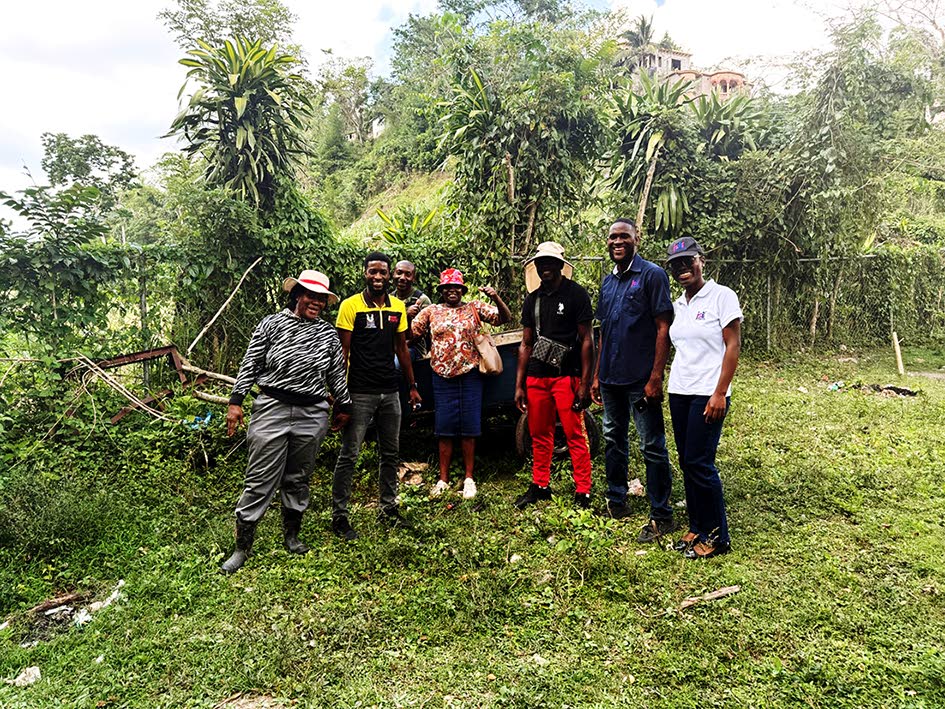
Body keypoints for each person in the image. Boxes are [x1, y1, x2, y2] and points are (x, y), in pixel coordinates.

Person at [221, 270, 351, 574]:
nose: (316, 302)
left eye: (321, 298)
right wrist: (235, 402)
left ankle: (292, 536)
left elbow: (336, 373)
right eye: (311, 296)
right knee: (259, 478)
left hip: (312, 413)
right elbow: (250, 362)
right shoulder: (272, 324)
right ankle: (242, 548)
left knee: (298, 476)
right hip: (272, 407)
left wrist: (343, 405)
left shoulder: (328, 334)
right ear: (297, 295)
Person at [591, 218, 677, 544]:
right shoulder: (608, 283)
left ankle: (661, 514)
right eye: (612, 237)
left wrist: (656, 377)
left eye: (623, 236)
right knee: (613, 439)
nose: (617, 242)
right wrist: (598, 375)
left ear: (636, 239)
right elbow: (605, 333)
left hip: (641, 380)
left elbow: (662, 329)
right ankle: (616, 500)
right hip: (611, 380)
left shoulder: (652, 276)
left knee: (651, 445)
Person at [331, 251, 422, 541]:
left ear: (389, 274)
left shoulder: (397, 307)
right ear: (365, 273)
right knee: (350, 454)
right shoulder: (350, 306)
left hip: (390, 391)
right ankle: (340, 516)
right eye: (373, 272)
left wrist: (412, 385)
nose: (379, 277)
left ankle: (388, 509)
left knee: (390, 453)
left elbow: (402, 350)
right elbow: (341, 353)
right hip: (359, 391)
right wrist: (339, 393)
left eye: (383, 272)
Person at [665, 237, 742, 559]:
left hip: (708, 393)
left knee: (700, 462)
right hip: (680, 390)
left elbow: (733, 346)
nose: (683, 269)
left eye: (688, 261)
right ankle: (697, 524)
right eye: (676, 265)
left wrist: (720, 393)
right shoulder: (677, 304)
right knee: (687, 461)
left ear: (702, 261)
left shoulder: (722, 296)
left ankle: (718, 536)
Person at [411, 268, 511, 499]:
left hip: (470, 375)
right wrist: (406, 314)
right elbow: (410, 335)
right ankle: (443, 479)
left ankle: (469, 478)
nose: (451, 291)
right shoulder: (431, 311)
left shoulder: (474, 307)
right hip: (441, 375)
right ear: (442, 291)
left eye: (456, 287)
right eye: (447, 287)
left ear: (462, 289)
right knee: (443, 428)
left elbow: (504, 318)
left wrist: (495, 297)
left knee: (469, 427)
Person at [513, 242, 595, 509]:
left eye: (550, 262)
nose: (545, 267)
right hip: (537, 376)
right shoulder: (532, 300)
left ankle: (583, 490)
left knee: (574, 433)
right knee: (539, 433)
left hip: (566, 376)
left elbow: (586, 340)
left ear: (561, 265)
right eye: (541, 263)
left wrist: (585, 383)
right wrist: (520, 384)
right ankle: (540, 485)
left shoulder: (577, 295)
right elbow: (525, 343)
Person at [393, 260, 433, 359]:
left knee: (396, 363)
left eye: (408, 274)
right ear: (393, 274)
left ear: (413, 278)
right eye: (399, 273)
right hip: (391, 345)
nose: (402, 278)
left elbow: (421, 334)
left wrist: (399, 347)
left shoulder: (422, 300)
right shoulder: (389, 298)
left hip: (413, 348)